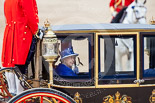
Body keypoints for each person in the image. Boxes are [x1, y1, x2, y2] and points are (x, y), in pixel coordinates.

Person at [1, 0, 40, 95]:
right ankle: (19, 94)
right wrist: (36, 31)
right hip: (21, 33)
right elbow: (30, 16)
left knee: (11, 64)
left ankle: (12, 91)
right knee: (20, 65)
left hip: (11, 33)